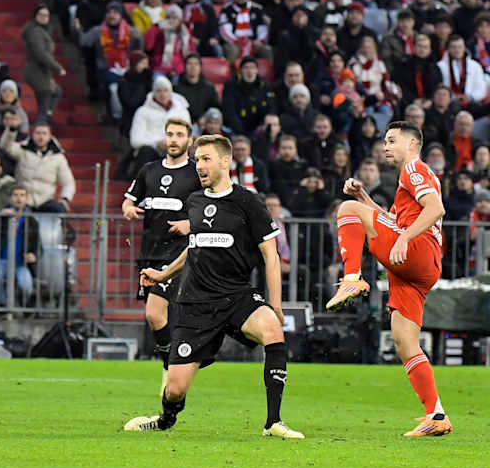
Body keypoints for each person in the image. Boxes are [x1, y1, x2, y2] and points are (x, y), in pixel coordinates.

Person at [125, 134, 303, 439]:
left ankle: (273, 422)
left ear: (225, 161)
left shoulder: (248, 202)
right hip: (195, 305)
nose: (198, 166)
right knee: (175, 390)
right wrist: (163, 274)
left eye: (205, 159)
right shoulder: (195, 201)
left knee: (272, 329)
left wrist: (275, 305)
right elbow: (194, 247)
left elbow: (271, 256)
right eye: (196, 160)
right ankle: (166, 418)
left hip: (236, 296)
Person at [327, 121, 451, 436]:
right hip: (417, 268)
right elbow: (389, 221)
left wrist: (404, 239)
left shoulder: (414, 168)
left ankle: (351, 277)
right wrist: (366, 196)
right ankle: (436, 416)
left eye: (392, 140)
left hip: (417, 251)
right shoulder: (407, 180)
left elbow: (436, 209)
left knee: (347, 209)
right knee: (404, 341)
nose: (385, 146)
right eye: (384, 141)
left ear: (412, 144)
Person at [121, 118, 199, 394]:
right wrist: (128, 208)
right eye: (170, 134)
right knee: (159, 317)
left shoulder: (196, 174)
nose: (174, 139)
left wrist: (192, 224)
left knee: (155, 313)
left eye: (180, 135)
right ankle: (174, 364)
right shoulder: (149, 170)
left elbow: (211, 209)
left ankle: (170, 367)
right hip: (149, 254)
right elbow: (129, 199)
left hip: (178, 254)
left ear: (190, 141)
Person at [0, 121, 75, 213]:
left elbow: (68, 183)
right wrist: (12, 130)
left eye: (44, 133)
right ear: (32, 134)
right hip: (24, 201)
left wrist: (65, 199)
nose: (41, 137)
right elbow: (5, 146)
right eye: (38, 133)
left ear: (50, 136)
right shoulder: (23, 150)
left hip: (46, 202)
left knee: (59, 210)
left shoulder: (58, 157)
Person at [22, 5, 66, 123]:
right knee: (43, 105)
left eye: (46, 15)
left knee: (56, 92)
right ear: (35, 16)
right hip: (37, 72)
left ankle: (48, 112)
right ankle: (40, 129)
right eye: (41, 15)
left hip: (43, 72)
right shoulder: (35, 32)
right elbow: (40, 53)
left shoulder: (43, 31)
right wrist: (57, 67)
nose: (44, 17)